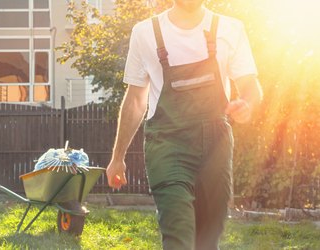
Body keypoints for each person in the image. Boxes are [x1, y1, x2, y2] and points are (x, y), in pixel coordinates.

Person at [106, 0, 263, 249]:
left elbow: (250, 86)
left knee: (208, 238)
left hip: (216, 148)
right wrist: (118, 157)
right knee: (178, 232)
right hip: (168, 146)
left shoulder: (230, 28)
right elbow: (136, 100)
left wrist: (247, 104)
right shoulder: (145, 32)